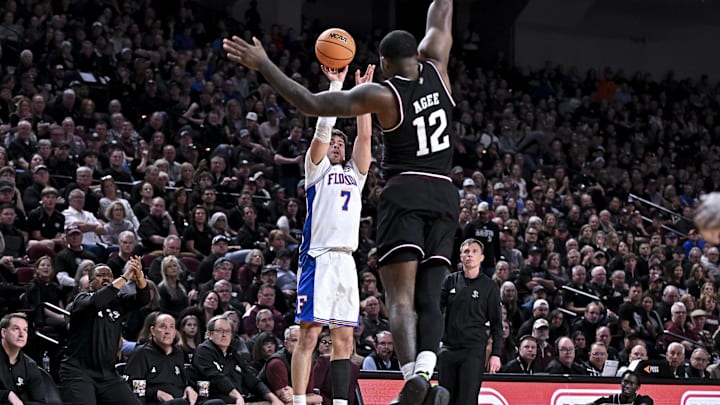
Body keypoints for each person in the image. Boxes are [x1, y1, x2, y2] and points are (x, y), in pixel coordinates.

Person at [224, 0, 456, 402]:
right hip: (445, 191)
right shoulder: (438, 64)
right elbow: (439, 13)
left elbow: (311, 104)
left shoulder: (383, 95)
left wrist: (263, 64)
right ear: (417, 52)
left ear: (384, 63)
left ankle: (408, 376)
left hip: (405, 191)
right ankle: (426, 370)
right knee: (430, 295)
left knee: (400, 300)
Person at [287, 62, 372, 405]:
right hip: (318, 257)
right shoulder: (316, 169)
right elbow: (322, 134)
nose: (336, 144)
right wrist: (336, 87)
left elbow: (365, 136)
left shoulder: (356, 173)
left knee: (345, 339)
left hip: (346, 261)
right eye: (333, 141)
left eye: (341, 141)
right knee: (308, 336)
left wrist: (363, 97)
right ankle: (297, 400)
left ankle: (338, 402)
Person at [59, 257, 149, 405]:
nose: (106, 278)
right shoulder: (82, 299)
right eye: (100, 276)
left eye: (109, 275)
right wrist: (125, 276)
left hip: (108, 374)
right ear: (90, 282)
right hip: (78, 372)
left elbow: (143, 299)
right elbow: (98, 300)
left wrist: (139, 276)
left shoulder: (118, 302)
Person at [438, 239, 501, 404]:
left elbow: (497, 324)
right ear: (460, 256)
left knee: (467, 400)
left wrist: (496, 354)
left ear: (481, 257)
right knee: (445, 399)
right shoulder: (449, 281)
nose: (470, 254)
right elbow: (436, 314)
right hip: (448, 350)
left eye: (474, 251)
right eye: (466, 251)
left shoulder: (489, 286)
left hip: (473, 351)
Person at [188, 315, 282, 405]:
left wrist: (273, 399)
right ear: (210, 334)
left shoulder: (234, 353)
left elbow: (252, 379)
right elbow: (216, 378)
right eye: (220, 331)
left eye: (228, 331)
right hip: (212, 400)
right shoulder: (203, 351)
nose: (224, 335)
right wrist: (237, 396)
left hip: (238, 400)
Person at [123, 313, 199, 405]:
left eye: (171, 327)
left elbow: (183, 382)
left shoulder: (178, 353)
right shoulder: (141, 353)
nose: (167, 331)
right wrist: (156, 393)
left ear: (175, 333)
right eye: (163, 327)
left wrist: (188, 389)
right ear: (153, 331)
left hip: (181, 400)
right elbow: (129, 387)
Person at [0, 313, 45, 405]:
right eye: (16, 329)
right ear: (4, 333)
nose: (22, 334)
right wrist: (7, 395)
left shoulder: (30, 365)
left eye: (25, 330)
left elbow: (40, 402)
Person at [587, 370, 653, 405]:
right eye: (625, 382)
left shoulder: (644, 400)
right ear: (621, 382)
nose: (627, 386)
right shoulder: (610, 399)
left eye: (631, 384)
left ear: (638, 387)